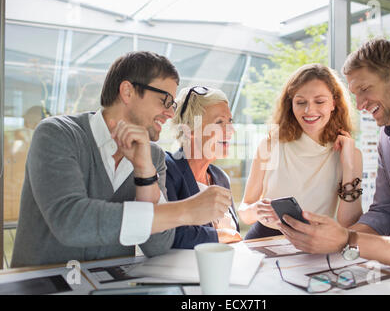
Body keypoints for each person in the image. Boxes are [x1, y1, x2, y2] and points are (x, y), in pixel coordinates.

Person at [11, 51, 232, 268]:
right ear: (127, 91)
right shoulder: (58, 134)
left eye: (172, 105)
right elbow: (71, 222)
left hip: (111, 286)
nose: (170, 114)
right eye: (164, 100)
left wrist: (145, 174)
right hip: (42, 284)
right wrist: (186, 211)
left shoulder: (153, 156)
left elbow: (157, 246)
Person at [280, 39, 390, 276]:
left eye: (365, 89)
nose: (359, 105)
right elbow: (384, 213)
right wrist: (327, 238)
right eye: (355, 94)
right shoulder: (386, 137)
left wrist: (347, 239)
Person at [239, 64, 363, 240]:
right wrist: (255, 210)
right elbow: (245, 211)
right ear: (291, 105)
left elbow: (348, 223)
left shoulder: (351, 154)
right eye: (300, 102)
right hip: (265, 239)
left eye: (319, 101)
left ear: (334, 104)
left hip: (316, 243)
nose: (309, 110)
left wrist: (349, 165)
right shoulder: (270, 145)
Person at [165, 86, 242, 248]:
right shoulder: (168, 169)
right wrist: (223, 235)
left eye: (230, 121)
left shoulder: (220, 178)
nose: (231, 130)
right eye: (219, 122)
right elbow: (170, 235)